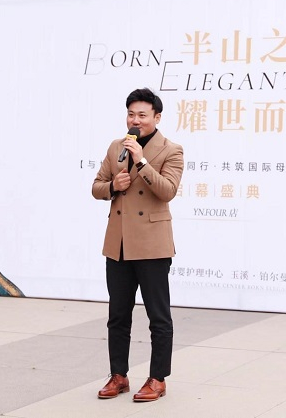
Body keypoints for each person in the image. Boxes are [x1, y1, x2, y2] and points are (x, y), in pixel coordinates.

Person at [92, 88, 184, 402]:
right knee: (118, 315)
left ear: (157, 117)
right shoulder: (115, 147)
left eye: (142, 115)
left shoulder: (171, 150)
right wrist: (112, 186)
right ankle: (118, 375)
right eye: (131, 114)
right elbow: (96, 186)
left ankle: (157, 379)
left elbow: (167, 190)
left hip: (152, 245)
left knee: (158, 316)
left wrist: (141, 162)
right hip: (118, 244)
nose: (135, 120)